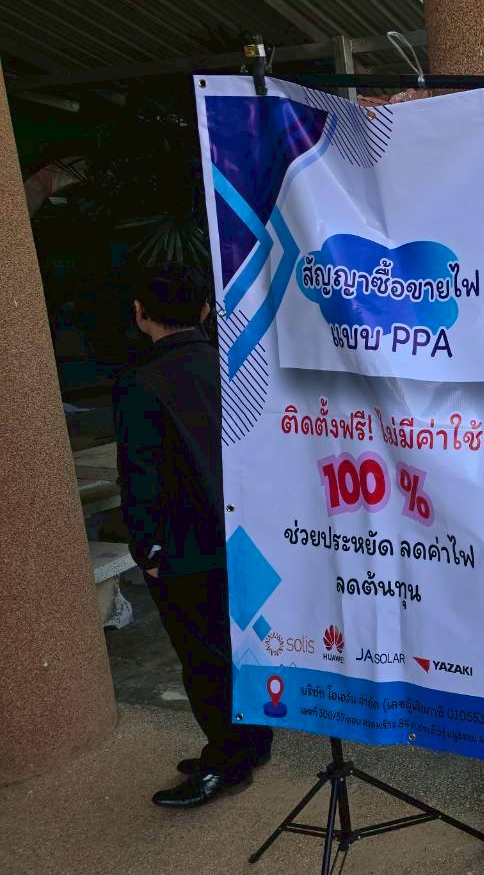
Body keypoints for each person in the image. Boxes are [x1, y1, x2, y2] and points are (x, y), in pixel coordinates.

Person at [113, 261, 272, 808]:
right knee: (243, 645)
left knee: (204, 658)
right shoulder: (236, 365)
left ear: (140, 314)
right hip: (249, 532)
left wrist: (147, 548)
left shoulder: (139, 383)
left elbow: (140, 476)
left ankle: (228, 761)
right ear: (206, 309)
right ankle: (250, 743)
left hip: (185, 548)